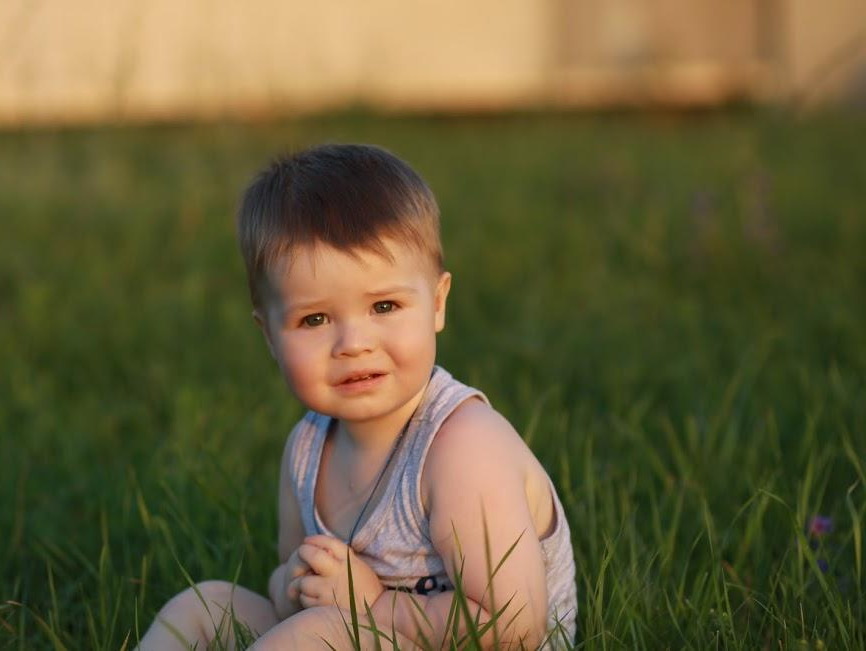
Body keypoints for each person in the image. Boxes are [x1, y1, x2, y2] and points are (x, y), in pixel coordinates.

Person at [138, 144, 576, 650]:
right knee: (206, 605)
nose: (354, 344)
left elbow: (515, 627)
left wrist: (373, 605)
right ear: (270, 337)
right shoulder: (306, 452)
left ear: (437, 303)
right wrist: (295, 583)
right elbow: (287, 591)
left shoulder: (462, 446)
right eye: (315, 320)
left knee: (320, 634)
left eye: (384, 305)